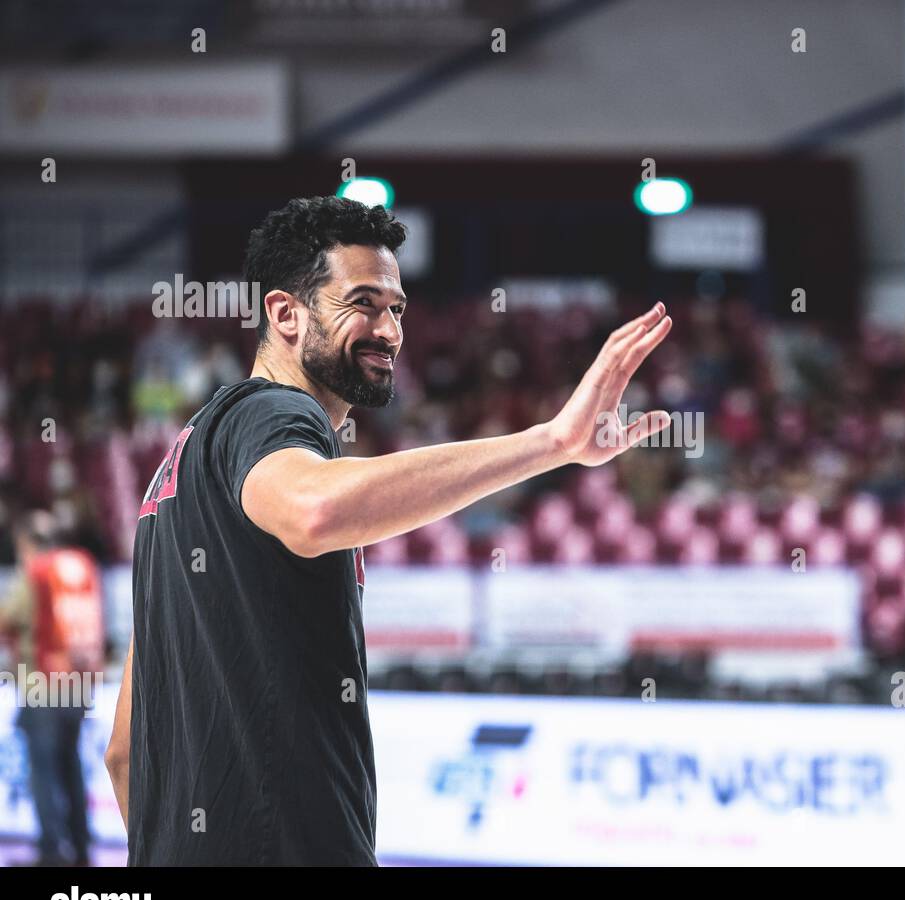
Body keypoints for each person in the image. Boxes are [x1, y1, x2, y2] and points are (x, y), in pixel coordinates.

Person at [104, 196, 673, 865]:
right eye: (363, 303)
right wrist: (551, 443)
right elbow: (315, 510)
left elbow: (122, 753)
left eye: (396, 308)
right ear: (286, 314)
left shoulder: (172, 479)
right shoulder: (273, 414)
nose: (390, 330)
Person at [0, 510, 104, 866]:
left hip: (42, 685)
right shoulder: (82, 565)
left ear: (28, 543)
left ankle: (50, 850)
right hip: (77, 682)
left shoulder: (37, 571)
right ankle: (81, 845)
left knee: (43, 771)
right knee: (71, 764)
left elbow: (7, 617)